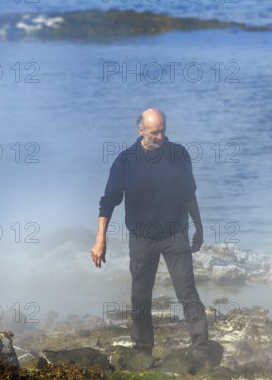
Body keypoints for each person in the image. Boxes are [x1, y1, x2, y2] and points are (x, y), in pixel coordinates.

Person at [90, 108, 209, 360]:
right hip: (142, 238)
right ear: (140, 130)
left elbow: (189, 193)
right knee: (140, 296)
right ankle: (143, 349)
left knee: (187, 291)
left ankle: (201, 349)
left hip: (175, 233)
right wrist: (100, 239)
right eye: (155, 132)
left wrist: (198, 225)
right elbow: (108, 202)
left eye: (164, 131)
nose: (161, 137)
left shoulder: (178, 154)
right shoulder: (126, 161)